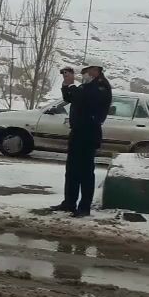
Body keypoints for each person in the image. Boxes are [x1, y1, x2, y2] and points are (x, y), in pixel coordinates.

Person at [52, 64, 111, 217]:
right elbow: (70, 98)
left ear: (95, 71)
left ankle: (84, 207)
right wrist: (66, 84)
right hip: (77, 132)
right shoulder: (86, 86)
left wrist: (73, 84)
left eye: (86, 71)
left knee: (85, 173)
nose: (83, 74)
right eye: (83, 71)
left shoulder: (101, 87)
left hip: (89, 134)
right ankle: (69, 203)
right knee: (72, 171)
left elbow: (85, 99)